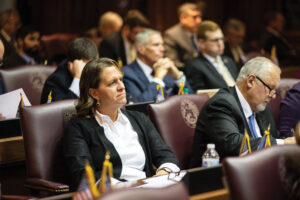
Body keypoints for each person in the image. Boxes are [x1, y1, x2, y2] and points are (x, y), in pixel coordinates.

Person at [63, 58, 180, 190]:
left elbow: (166, 155)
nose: (122, 87)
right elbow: (83, 174)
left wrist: (161, 176)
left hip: (150, 190)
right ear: (94, 93)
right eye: (112, 83)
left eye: (121, 79)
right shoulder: (79, 127)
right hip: (114, 194)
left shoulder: (139, 119)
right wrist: (126, 188)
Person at [190, 57, 295, 168]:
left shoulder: (261, 108)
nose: (273, 96)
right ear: (250, 81)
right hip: (216, 179)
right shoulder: (221, 104)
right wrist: (283, 143)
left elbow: (275, 137)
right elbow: (233, 144)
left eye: (275, 91)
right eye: (270, 89)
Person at [122, 28, 193, 103]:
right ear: (141, 49)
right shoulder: (127, 74)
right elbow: (138, 107)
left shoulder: (167, 70)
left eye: (162, 45)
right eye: (156, 45)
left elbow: (192, 102)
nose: (162, 49)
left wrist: (178, 77)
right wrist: (157, 79)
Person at [40, 38, 98, 104]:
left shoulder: (98, 72)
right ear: (71, 65)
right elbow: (61, 112)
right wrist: (77, 78)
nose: (92, 70)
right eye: (87, 65)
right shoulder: (55, 81)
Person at [185, 20, 238, 91]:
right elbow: (200, 96)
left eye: (222, 39)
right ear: (201, 43)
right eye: (215, 40)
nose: (220, 44)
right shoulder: (195, 66)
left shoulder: (229, 61)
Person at [164, 3, 202, 69]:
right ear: (182, 18)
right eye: (195, 17)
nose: (199, 21)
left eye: (200, 17)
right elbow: (173, 63)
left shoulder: (200, 32)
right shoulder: (172, 35)